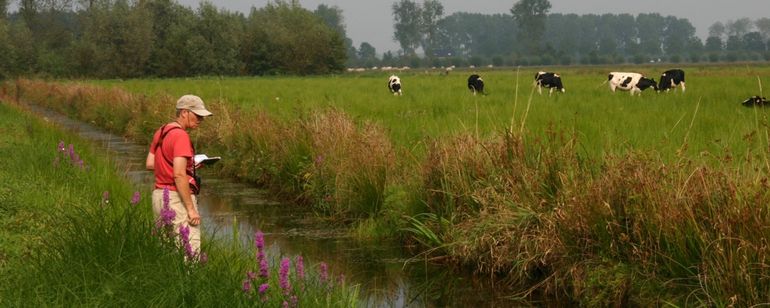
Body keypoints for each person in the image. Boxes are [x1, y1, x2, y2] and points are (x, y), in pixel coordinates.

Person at [146, 94, 212, 254]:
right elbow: (179, 175)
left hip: (159, 197)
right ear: (184, 112)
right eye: (197, 116)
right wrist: (190, 209)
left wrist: (188, 164)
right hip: (177, 199)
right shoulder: (181, 136)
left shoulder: (162, 131)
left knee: (167, 250)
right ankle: (190, 280)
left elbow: (150, 163)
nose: (200, 120)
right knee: (190, 253)